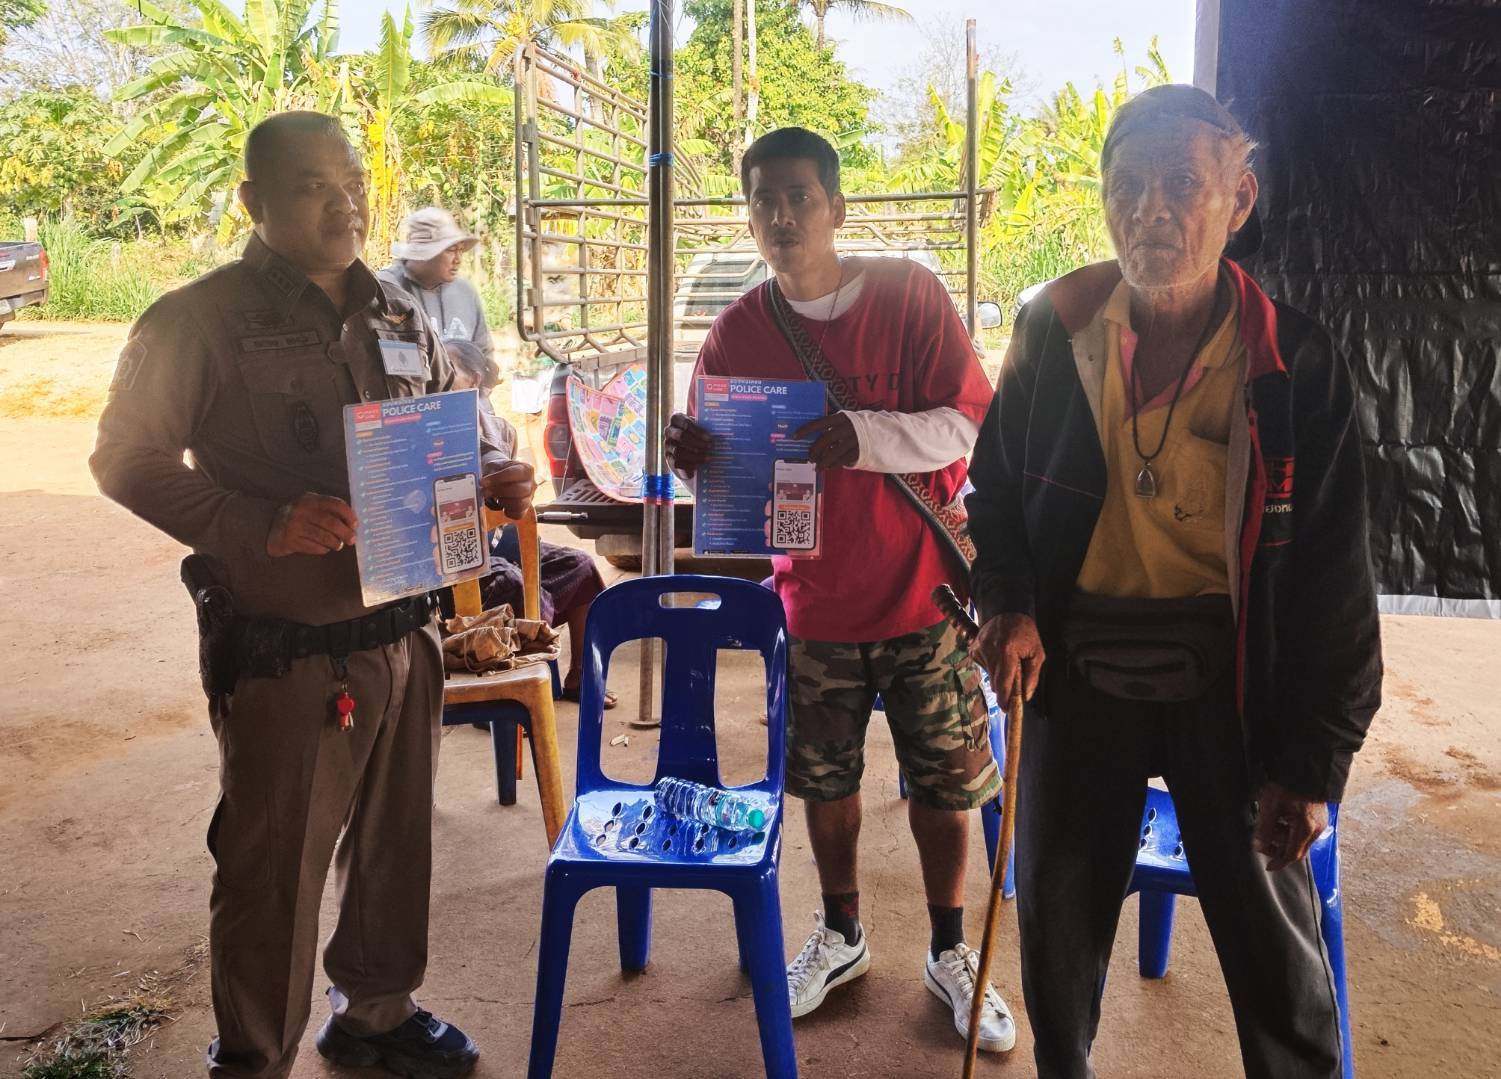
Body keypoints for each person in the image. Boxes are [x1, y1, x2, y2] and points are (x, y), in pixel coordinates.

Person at [90, 111, 535, 1079]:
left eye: (354, 180)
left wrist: (490, 473)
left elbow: (449, 429)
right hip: (290, 650)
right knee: (274, 867)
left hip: (407, 631)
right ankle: (254, 1056)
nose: (346, 203)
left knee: (394, 845)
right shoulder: (198, 320)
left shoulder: (400, 309)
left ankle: (377, 1012)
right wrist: (259, 522)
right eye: (313, 185)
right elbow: (122, 459)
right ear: (253, 201)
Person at [966, 85, 1383, 1078]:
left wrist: (1312, 762)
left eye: (1182, 185)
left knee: (1276, 951)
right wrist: (1009, 603)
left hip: (1233, 679)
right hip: (1078, 664)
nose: (1150, 209)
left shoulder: (1292, 360)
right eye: (1129, 185)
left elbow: (1334, 579)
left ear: (1238, 199)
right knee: (1056, 928)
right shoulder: (1053, 327)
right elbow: (995, 492)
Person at [663, 127, 1015, 1053]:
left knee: (945, 782)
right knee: (826, 781)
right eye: (764, 201)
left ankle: (950, 948)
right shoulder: (737, 331)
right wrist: (694, 458)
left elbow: (967, 422)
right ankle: (843, 930)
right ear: (748, 216)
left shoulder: (910, 296)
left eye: (800, 198)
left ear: (837, 208)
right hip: (812, 602)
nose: (782, 216)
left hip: (924, 595)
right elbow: (725, 474)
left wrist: (862, 436)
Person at [444, 339, 615, 707]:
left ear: (474, 381)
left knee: (581, 565)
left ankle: (581, 676)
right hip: (456, 564)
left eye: (448, 372)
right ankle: (508, 689)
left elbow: (509, 513)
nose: (438, 380)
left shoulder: (501, 431)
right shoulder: (431, 434)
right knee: (515, 584)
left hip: (499, 543)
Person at [379, 207, 493, 364]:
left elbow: (484, 354)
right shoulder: (387, 291)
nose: (458, 259)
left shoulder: (465, 292)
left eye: (460, 250)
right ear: (425, 254)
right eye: (451, 250)